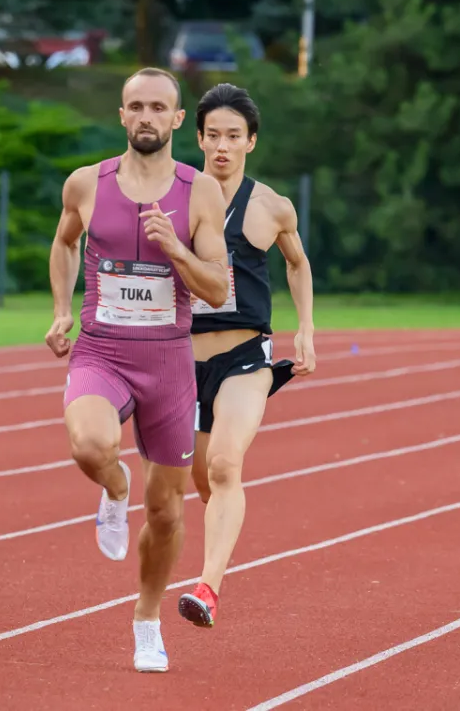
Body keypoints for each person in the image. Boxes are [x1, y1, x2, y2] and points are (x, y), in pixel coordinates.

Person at [44, 67, 231, 672]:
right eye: (135, 106)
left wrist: (175, 248)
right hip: (102, 349)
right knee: (89, 443)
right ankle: (114, 487)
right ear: (121, 116)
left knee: (169, 513)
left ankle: (146, 621)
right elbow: (66, 242)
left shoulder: (199, 191)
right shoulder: (86, 183)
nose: (146, 116)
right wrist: (60, 311)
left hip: (169, 361)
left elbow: (217, 286)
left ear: (179, 121)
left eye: (159, 107)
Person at [176, 83, 317, 630]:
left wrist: (305, 330)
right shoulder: (178, 197)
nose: (222, 147)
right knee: (202, 481)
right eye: (212, 136)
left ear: (251, 141)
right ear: (199, 138)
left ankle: (207, 588)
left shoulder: (271, 206)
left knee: (225, 464)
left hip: (245, 357)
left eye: (233, 136)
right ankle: (223, 532)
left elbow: (298, 264)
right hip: (184, 362)